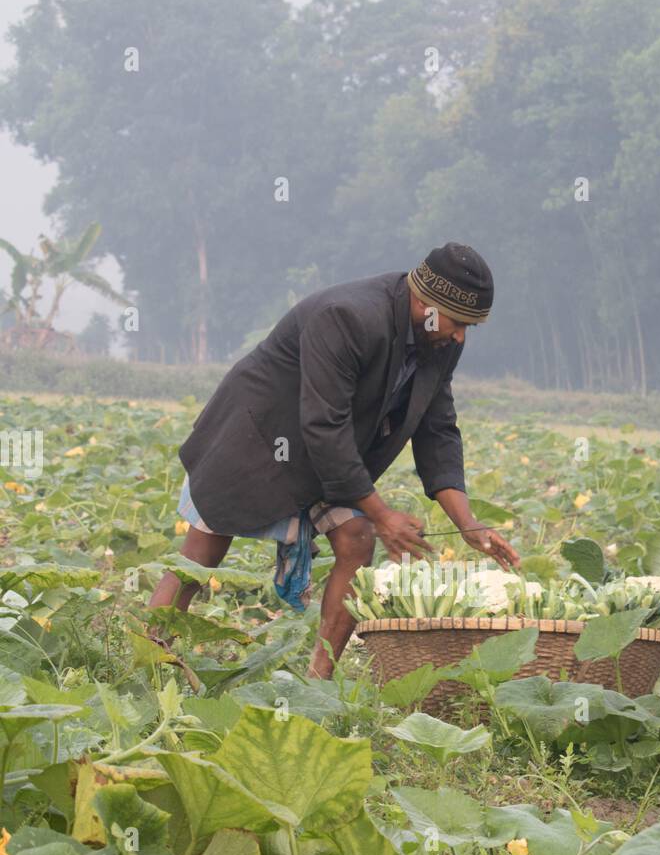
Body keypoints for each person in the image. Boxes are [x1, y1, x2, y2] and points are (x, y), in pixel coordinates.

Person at [149, 242, 520, 678]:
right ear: (427, 304)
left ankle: (319, 677)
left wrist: (467, 522)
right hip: (260, 432)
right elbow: (324, 425)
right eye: (459, 323)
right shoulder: (347, 316)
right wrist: (382, 513)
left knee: (356, 536)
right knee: (203, 549)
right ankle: (149, 653)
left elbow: (437, 428)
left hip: (337, 446)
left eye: (469, 327)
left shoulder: (441, 341)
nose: (461, 337)